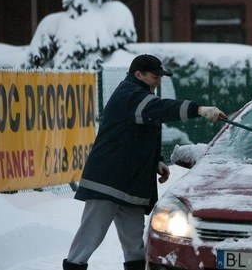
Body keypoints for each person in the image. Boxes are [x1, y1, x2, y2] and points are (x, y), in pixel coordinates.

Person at [62, 54, 226, 270]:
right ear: (138, 75)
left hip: (130, 185)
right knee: (88, 239)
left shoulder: (140, 96)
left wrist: (155, 160)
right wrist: (199, 109)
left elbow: (140, 133)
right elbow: (160, 109)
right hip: (108, 182)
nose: (158, 80)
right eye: (154, 76)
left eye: (160, 76)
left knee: (135, 247)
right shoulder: (131, 94)